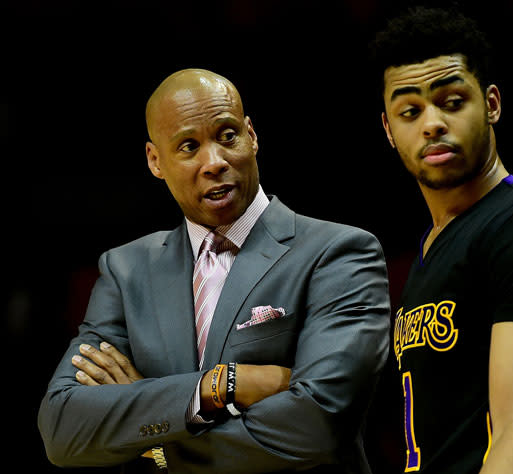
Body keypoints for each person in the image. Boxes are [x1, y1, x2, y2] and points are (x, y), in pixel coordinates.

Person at [38, 68, 391, 473]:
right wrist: (216, 387)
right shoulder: (125, 270)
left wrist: (156, 447)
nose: (214, 162)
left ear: (252, 135)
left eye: (227, 135)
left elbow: (317, 425)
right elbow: (63, 429)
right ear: (155, 161)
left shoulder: (338, 252)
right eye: (188, 146)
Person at [369, 6, 513, 474]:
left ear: (492, 104)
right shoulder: (435, 245)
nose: (432, 123)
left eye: (452, 101)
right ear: (389, 131)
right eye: (410, 111)